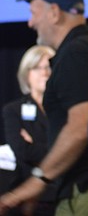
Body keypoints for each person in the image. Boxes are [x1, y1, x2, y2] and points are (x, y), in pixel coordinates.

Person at [0, 0, 88, 215]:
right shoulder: (87, 48)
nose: (30, 23)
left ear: (54, 12)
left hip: (87, 191)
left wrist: (37, 181)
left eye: (33, 13)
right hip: (81, 188)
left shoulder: (76, 52)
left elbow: (80, 125)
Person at [2, 46, 57, 216]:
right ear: (27, 74)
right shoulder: (13, 110)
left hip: (64, 191)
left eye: (49, 67)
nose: (45, 72)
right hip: (30, 196)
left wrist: (35, 145)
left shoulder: (64, 109)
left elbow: (75, 149)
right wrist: (57, 152)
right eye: (38, 68)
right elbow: (22, 151)